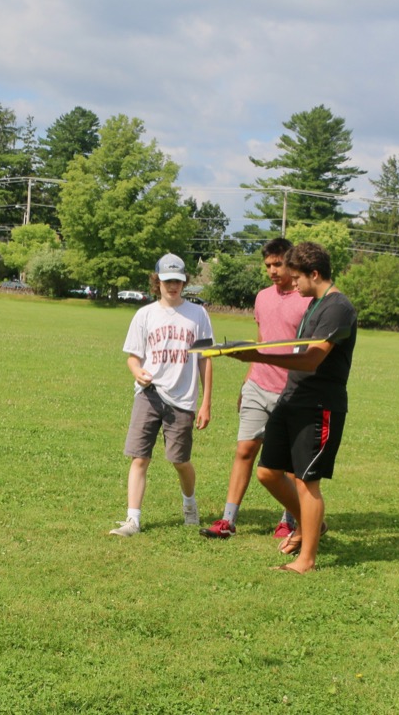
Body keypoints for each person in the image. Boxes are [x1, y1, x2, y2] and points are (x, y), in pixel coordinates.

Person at [228, 242, 356, 573]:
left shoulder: (338, 308)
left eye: (297, 276)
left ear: (315, 274)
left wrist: (256, 355)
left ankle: (306, 560)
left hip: (318, 405)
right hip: (292, 398)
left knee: (306, 481)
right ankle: (311, 524)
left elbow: (313, 358)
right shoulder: (314, 303)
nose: (292, 282)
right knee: (268, 472)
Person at [200, 238, 311, 541]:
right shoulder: (262, 297)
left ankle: (287, 521)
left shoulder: (307, 300)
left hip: (290, 392)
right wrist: (246, 382)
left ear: (292, 263)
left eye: (278, 264)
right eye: (268, 266)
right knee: (245, 451)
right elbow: (262, 339)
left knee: (289, 463)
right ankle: (227, 520)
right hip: (257, 386)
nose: (273, 271)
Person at [110, 254, 214, 536]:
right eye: (167, 281)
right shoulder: (145, 314)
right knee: (139, 457)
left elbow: (205, 359)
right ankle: (133, 519)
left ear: (184, 282)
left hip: (183, 399)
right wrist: (136, 372)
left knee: (179, 460)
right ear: (157, 281)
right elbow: (133, 357)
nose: (173, 286)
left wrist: (206, 402)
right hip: (149, 394)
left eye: (178, 281)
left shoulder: (198, 314)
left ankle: (190, 504)